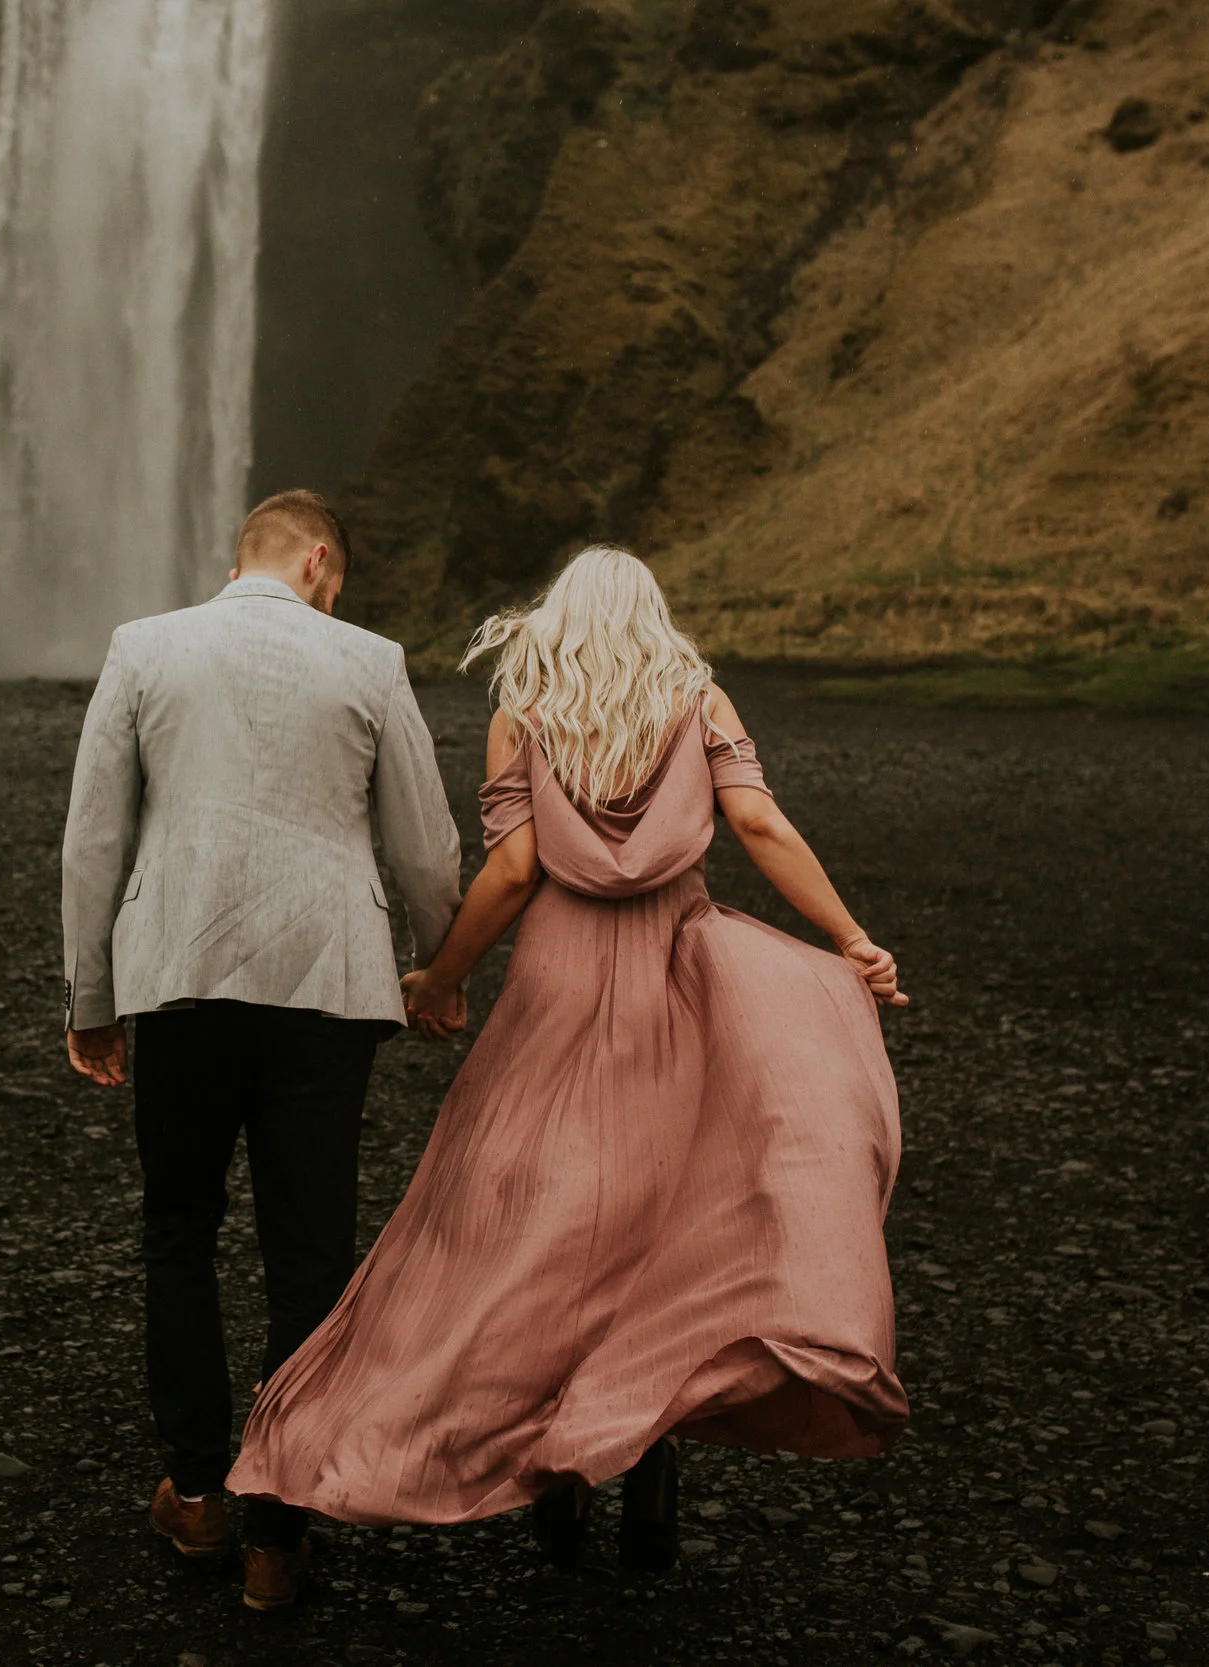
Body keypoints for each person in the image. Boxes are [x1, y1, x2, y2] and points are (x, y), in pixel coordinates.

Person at [229, 545, 910, 1573]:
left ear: (556, 619)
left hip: (558, 981)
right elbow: (758, 821)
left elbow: (512, 868)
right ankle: (642, 1455)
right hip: (679, 976)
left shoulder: (527, 708)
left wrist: (444, 974)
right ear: (651, 619)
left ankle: (545, 1459)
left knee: (534, 1225)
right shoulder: (695, 696)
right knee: (665, 1216)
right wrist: (851, 937)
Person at [60, 489, 463, 1611]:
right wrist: (443, 965)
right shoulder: (371, 661)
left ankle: (194, 1493)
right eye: (339, 578)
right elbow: (424, 847)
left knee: (177, 1234)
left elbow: (93, 833)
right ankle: (277, 1538)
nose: (340, 596)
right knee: (309, 1260)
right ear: (320, 560)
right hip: (327, 993)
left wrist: (91, 997)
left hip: (177, 986)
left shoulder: (143, 649)